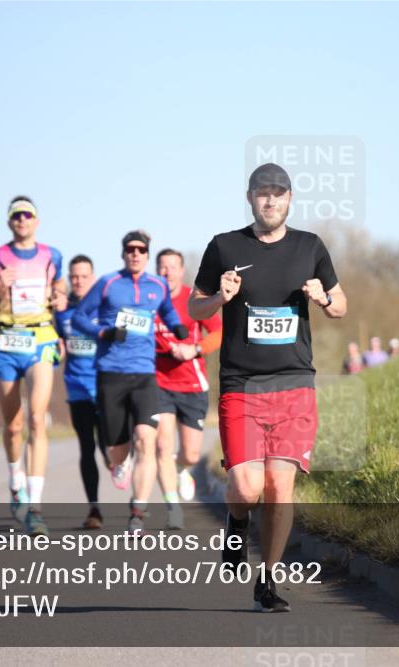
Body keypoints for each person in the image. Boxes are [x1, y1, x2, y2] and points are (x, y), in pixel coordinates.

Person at [189, 163, 347, 612]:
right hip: (242, 384)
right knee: (246, 487)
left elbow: (341, 305)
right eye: (263, 193)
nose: (271, 200)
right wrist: (220, 297)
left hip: (295, 384)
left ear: (290, 199)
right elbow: (195, 308)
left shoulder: (310, 247)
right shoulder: (224, 247)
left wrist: (324, 298)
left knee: (280, 486)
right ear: (250, 197)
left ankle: (268, 580)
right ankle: (236, 522)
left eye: (279, 193)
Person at [71, 230, 188, 536]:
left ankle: (137, 511)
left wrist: (176, 325)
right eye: (130, 249)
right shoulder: (109, 283)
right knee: (117, 451)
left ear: (147, 255)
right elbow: (80, 318)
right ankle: (119, 463)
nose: (136, 254)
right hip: (111, 374)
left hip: (144, 374)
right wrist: (103, 333)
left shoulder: (157, 285)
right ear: (123, 253)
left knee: (146, 440)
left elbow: (167, 309)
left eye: (141, 250)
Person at [0, 196, 66, 537]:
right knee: (13, 425)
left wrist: (59, 295)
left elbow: (60, 286)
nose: (22, 220)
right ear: (10, 222)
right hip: (6, 343)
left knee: (37, 418)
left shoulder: (52, 255)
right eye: (16, 216)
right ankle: (15, 477)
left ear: (37, 221)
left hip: (40, 340)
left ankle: (35, 507)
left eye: (28, 215)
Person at [154, 248, 223, 509]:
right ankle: (172, 509)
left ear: (181, 271)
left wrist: (193, 349)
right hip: (158, 382)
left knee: (192, 454)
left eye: (172, 266)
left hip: (192, 383)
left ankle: (181, 468)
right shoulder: (149, 300)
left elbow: (217, 332)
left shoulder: (192, 300)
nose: (167, 271)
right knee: (162, 445)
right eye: (162, 266)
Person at [55, 254, 118, 530]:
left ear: (93, 278)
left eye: (84, 276)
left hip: (104, 387)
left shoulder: (103, 309)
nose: (78, 281)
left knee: (108, 448)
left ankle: (115, 459)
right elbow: (55, 341)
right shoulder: (61, 311)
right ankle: (94, 509)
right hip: (77, 388)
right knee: (86, 447)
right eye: (74, 277)